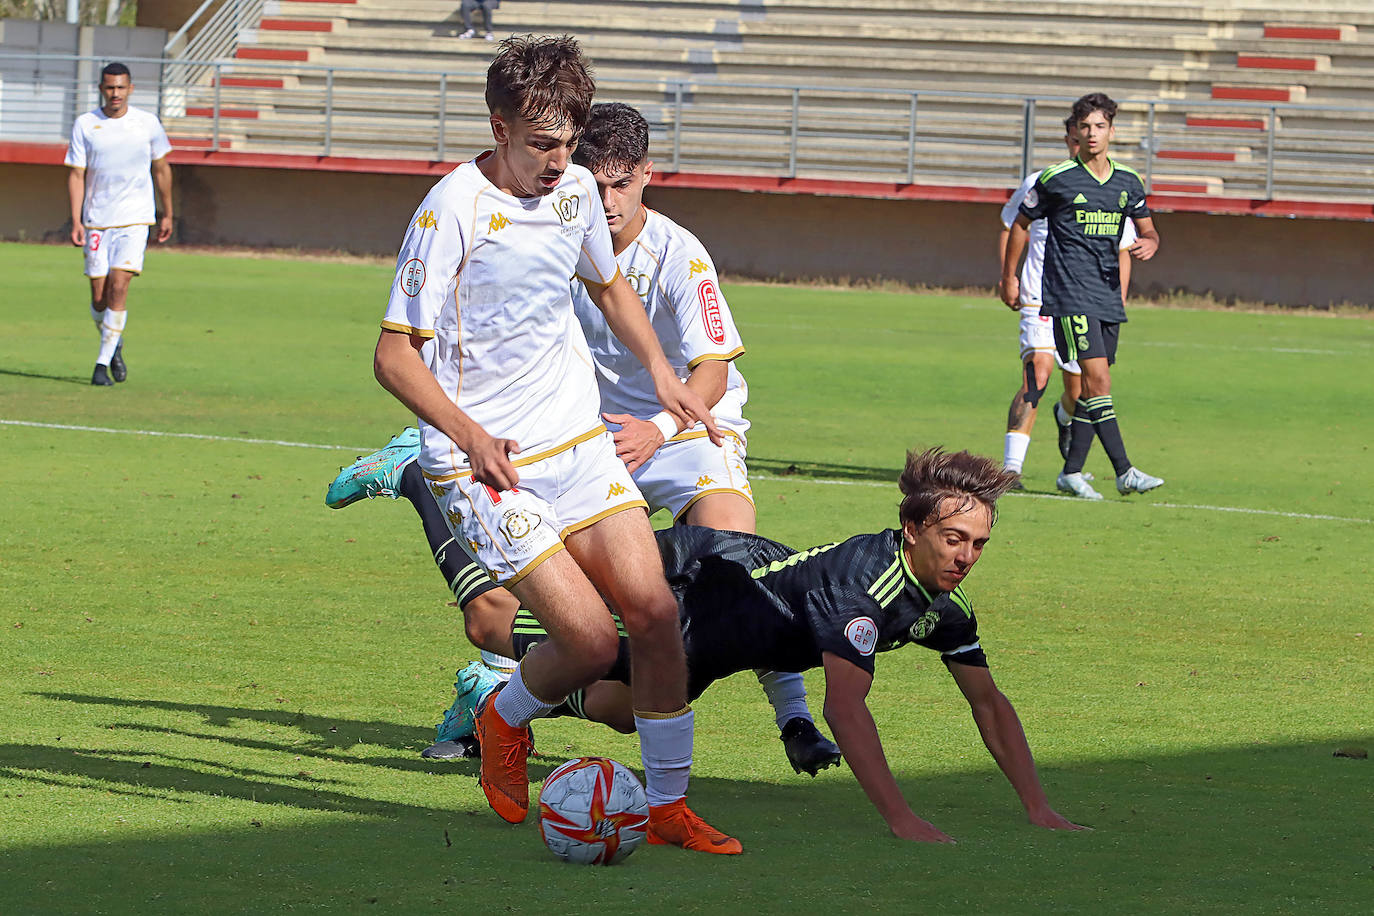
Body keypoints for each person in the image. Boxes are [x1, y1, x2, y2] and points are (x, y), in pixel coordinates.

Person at [327, 101, 842, 776]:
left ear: (647, 177)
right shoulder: (543, 217)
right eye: (593, 182)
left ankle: (793, 719)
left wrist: (661, 420)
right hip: (574, 435)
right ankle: (488, 688)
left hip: (679, 432)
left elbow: (714, 369)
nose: (604, 200)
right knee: (512, 621)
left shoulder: (679, 256)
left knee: (732, 560)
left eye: (620, 185)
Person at [370, 36, 739, 854]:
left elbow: (607, 285)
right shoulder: (450, 210)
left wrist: (663, 372)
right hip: (482, 464)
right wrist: (469, 435)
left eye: (568, 142)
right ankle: (503, 719)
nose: (558, 160)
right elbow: (393, 356)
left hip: (578, 444)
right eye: (541, 143)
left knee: (653, 615)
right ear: (497, 126)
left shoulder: (575, 192)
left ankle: (668, 805)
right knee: (588, 641)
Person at [448, 447, 1088, 843]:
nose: (966, 556)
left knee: (620, 712)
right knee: (492, 621)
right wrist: (902, 819)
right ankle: (424, 484)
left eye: (977, 544)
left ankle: (514, 693)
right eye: (953, 538)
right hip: (697, 587)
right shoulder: (863, 591)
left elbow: (988, 703)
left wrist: (1037, 805)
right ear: (913, 528)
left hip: (723, 632)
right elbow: (846, 708)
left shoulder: (944, 606)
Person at [1001, 92, 1164, 500]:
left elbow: (1146, 230)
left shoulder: (1127, 181)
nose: (1091, 134)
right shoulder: (1053, 178)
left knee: (1087, 389)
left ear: (1112, 130)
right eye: (1085, 127)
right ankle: (1122, 470)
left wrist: (1152, 242)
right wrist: (1009, 277)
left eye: (1099, 126)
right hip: (1064, 295)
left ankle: (1072, 470)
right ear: (1074, 132)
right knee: (1088, 379)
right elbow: (1017, 224)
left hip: (1106, 297)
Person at [65, 62, 173, 387]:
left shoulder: (147, 124)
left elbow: (162, 169)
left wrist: (167, 212)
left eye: (121, 88)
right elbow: (76, 174)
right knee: (100, 298)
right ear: (101, 89)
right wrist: (76, 219)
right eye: (110, 88)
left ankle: (100, 365)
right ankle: (114, 344)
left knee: (119, 285)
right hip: (98, 221)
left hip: (135, 218)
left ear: (131, 89)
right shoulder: (86, 124)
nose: (115, 94)